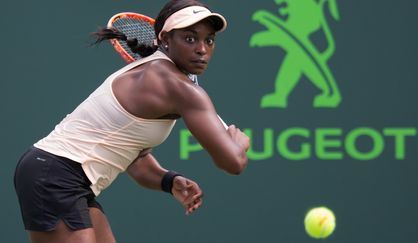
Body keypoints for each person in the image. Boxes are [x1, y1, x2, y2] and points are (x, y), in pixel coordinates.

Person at [13, 0, 250, 242]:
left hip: (58, 173)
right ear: (165, 39)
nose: (201, 48)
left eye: (209, 40)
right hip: (56, 173)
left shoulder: (157, 74)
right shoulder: (177, 86)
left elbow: (135, 162)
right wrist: (239, 144)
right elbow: (233, 163)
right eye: (190, 38)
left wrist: (169, 181)